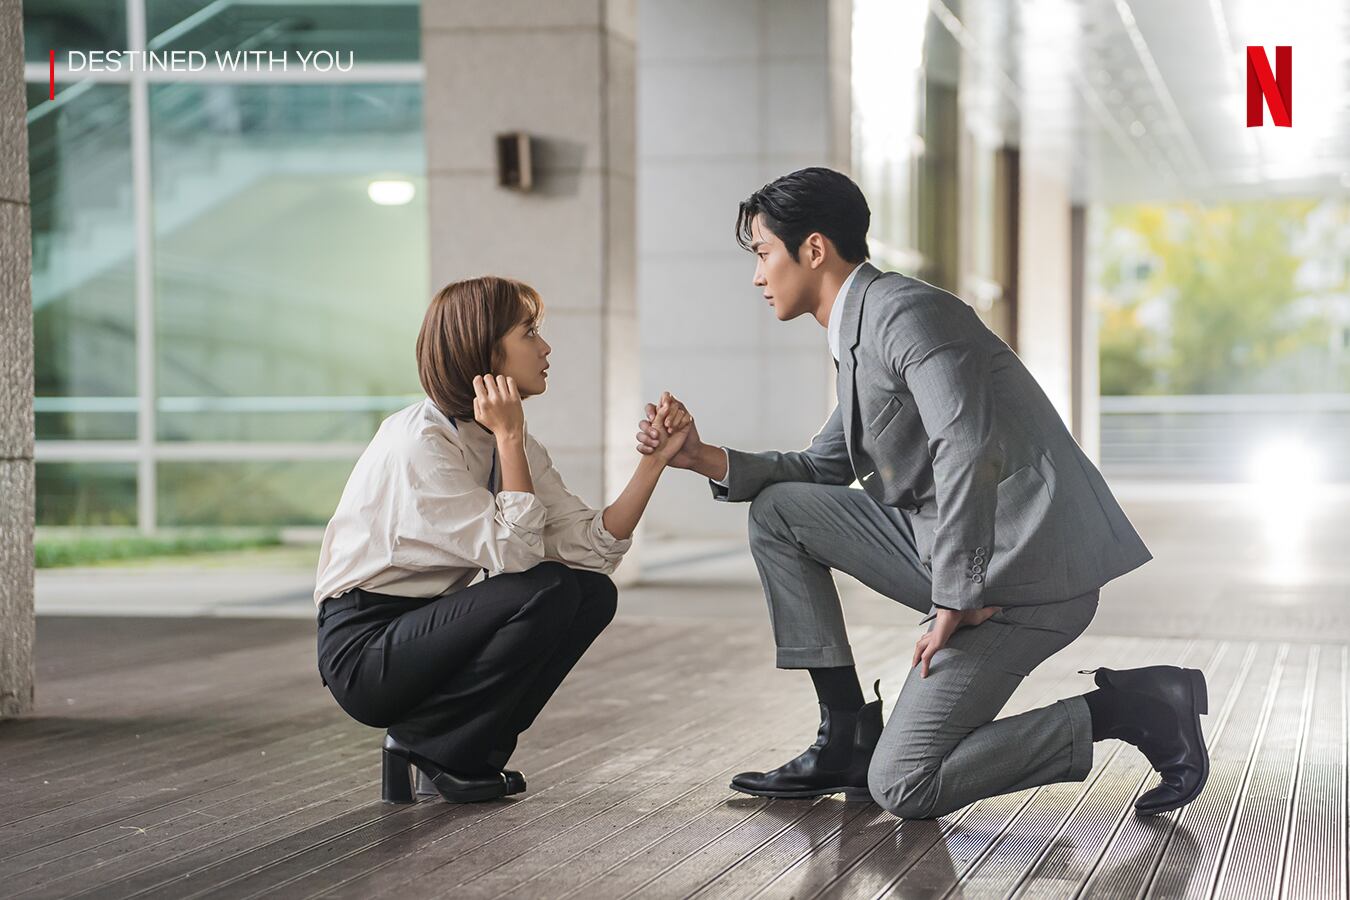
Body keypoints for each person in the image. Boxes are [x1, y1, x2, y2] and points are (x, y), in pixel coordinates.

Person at [637, 167, 1208, 820]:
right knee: (780, 510)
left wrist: (954, 598)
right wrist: (699, 457)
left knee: (906, 784)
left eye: (764, 252)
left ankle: (1132, 708)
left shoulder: (908, 314)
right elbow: (821, 467)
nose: (758, 275)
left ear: (814, 249)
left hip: (1026, 572)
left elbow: (966, 447)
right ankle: (843, 735)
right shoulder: (858, 331)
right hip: (951, 546)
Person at [314, 275, 692, 804]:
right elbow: (516, 559)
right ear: (486, 350)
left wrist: (654, 462)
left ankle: (462, 748)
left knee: (590, 593)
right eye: (529, 332)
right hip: (366, 649)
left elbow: (591, 548)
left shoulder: (506, 443)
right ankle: (436, 746)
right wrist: (510, 436)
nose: (546, 347)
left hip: (430, 630)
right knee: (545, 588)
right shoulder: (419, 444)